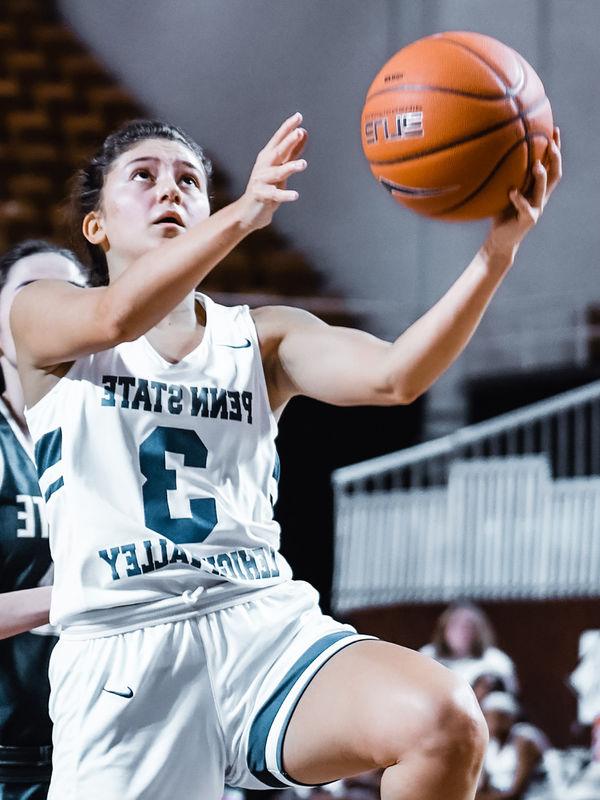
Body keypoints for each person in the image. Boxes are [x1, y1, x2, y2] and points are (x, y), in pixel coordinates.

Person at [10, 112, 561, 800]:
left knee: (443, 719)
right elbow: (117, 317)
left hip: (260, 625)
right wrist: (243, 216)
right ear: (96, 225)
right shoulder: (42, 314)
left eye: (188, 179)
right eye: (142, 177)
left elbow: (396, 377)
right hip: (126, 644)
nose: (169, 191)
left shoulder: (261, 338)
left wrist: (493, 258)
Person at [0, 241, 83, 797]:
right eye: (30, 295)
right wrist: (78, 596)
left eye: (71, 297)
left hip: (101, 747)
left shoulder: (123, 442)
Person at [421, 602, 519, 694]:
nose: (461, 631)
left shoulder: (496, 660)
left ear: (480, 632)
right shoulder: (427, 656)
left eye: (468, 626)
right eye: (455, 625)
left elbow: (509, 696)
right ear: (444, 629)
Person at [476, 692, 550, 800]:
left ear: (509, 718)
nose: (489, 722)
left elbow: (516, 792)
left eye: (495, 717)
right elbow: (483, 785)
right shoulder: (490, 743)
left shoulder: (524, 738)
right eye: (486, 717)